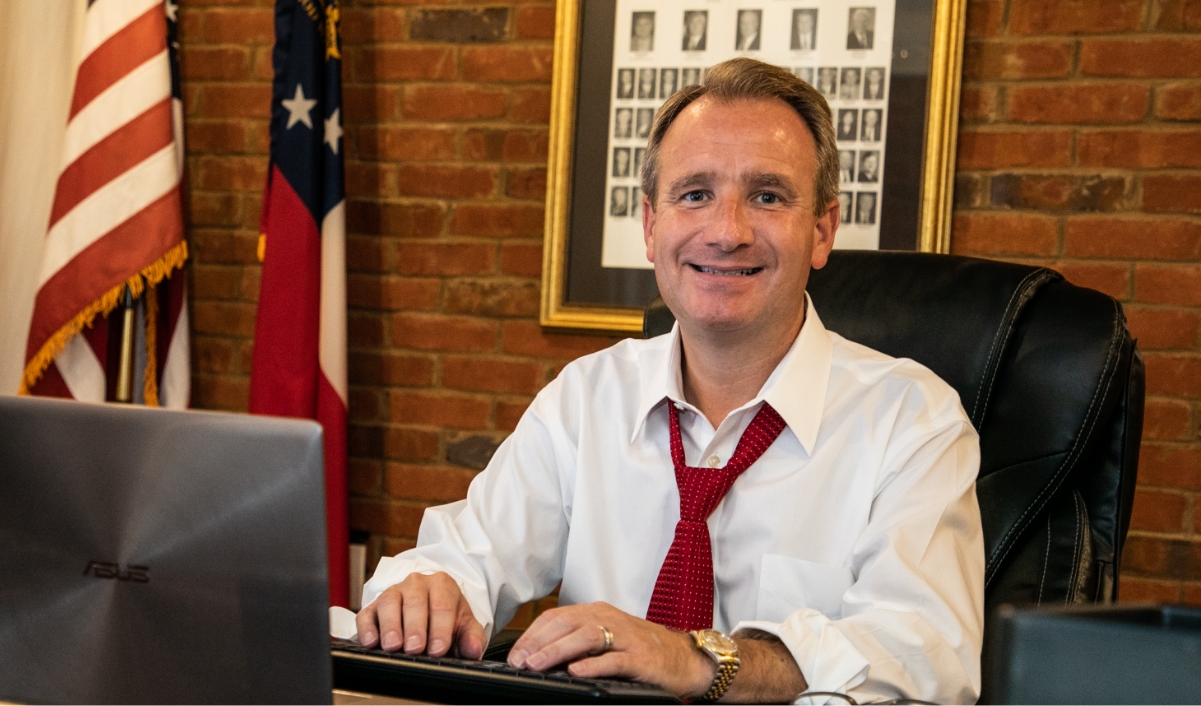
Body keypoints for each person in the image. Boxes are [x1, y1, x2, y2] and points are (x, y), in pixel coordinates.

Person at [356, 58, 983, 705]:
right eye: (695, 194)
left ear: (822, 230)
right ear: (653, 227)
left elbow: (924, 663)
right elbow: (470, 552)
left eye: (767, 196)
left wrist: (701, 659)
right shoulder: (587, 398)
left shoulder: (914, 421)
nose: (727, 231)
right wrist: (431, 590)